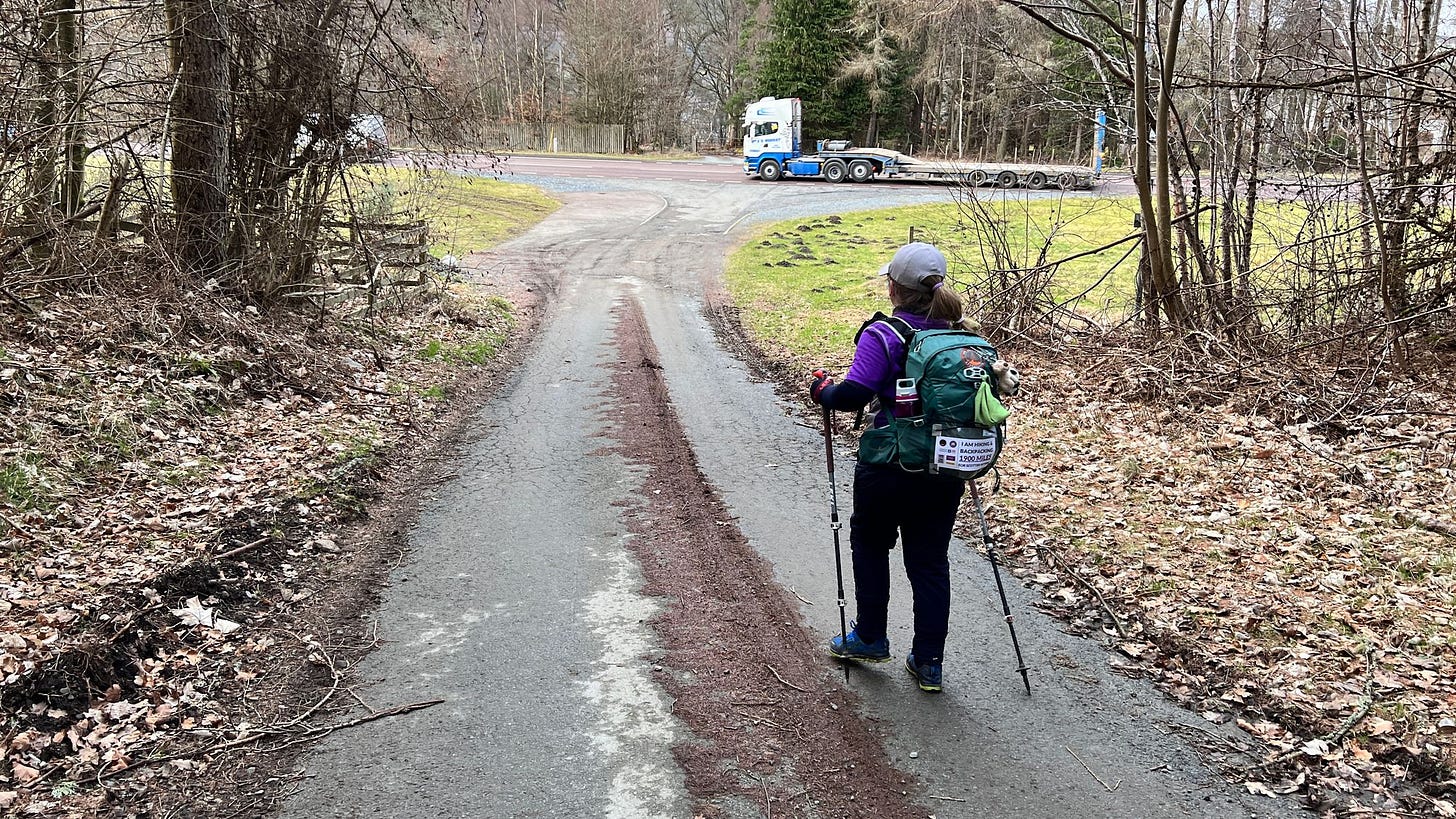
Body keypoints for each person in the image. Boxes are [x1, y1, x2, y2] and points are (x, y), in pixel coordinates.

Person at [808, 241, 976, 693]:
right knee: (928, 563)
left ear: (893, 288)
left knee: (869, 543)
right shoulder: (958, 335)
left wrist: (821, 389)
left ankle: (869, 637)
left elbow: (852, 397)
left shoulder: (884, 335)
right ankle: (929, 663)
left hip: (888, 465)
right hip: (944, 466)